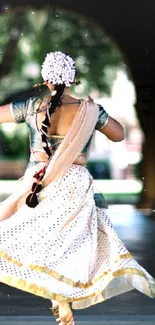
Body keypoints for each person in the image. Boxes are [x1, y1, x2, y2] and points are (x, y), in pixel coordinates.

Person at [0, 51, 154, 325]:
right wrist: (97, 113)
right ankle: (62, 299)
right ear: (72, 78)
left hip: (38, 181)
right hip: (75, 183)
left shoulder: (32, 106)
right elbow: (119, 135)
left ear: (46, 79)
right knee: (70, 245)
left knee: (40, 241)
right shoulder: (89, 110)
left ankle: (59, 299)